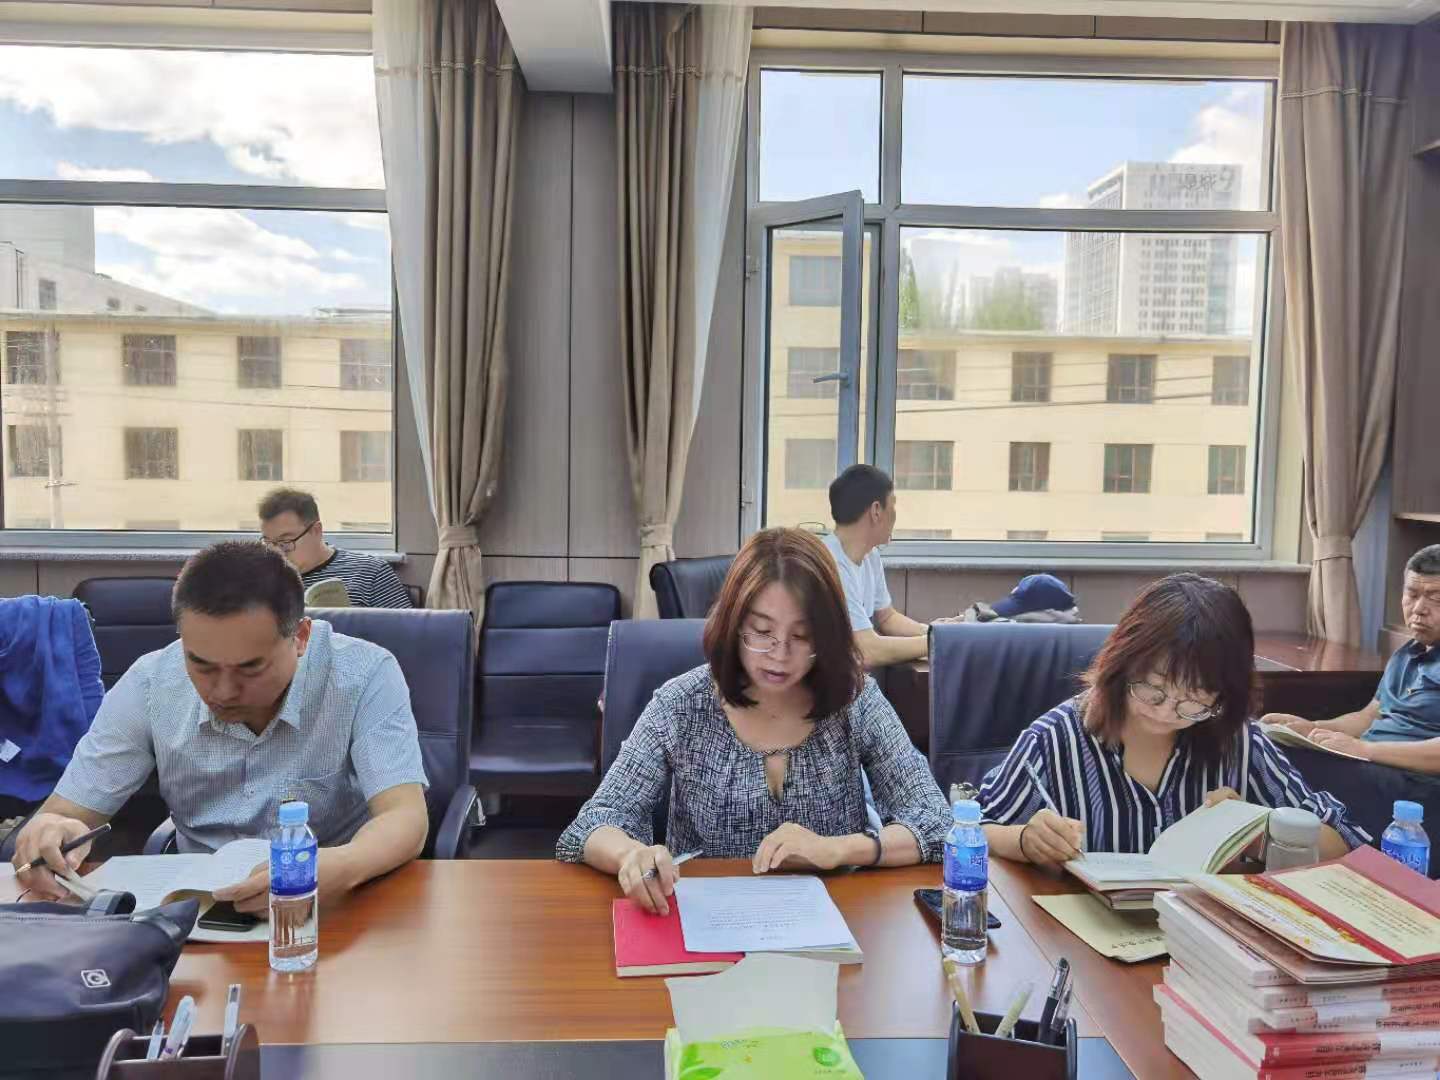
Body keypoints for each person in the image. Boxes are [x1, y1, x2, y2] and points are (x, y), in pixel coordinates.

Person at [11, 542, 430, 914]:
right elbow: (65, 812)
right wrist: (52, 832)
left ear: (300, 637)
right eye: (202, 665)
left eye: (250, 667)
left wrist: (339, 867)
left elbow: (404, 817)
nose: (223, 691)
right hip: (197, 911)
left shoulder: (363, 674)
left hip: (333, 901)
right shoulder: (151, 683)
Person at [557, 527, 950, 914]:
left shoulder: (854, 699)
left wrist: (839, 849)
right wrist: (631, 856)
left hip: (834, 924)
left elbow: (936, 823)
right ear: (734, 623)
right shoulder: (683, 704)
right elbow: (592, 824)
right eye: (762, 631)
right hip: (706, 922)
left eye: (802, 636)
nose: (780, 655)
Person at [977, 573, 1368, 868]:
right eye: (1153, 689)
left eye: (1194, 701)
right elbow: (969, 829)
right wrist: (1025, 840)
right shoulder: (1054, 738)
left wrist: (1257, 831)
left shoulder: (1238, 741)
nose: (1166, 712)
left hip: (1201, 935)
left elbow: (1346, 839)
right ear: (1121, 665)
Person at [1263, 545, 1440, 775]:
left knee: (1283, 769)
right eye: (1412, 595)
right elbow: (1368, 717)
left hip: (1412, 780)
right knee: (1267, 750)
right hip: (1370, 764)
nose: (1418, 609)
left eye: (1436, 598)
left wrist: (1363, 750)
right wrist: (1312, 729)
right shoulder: (1406, 653)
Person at [823, 465, 942, 667]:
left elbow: (887, 618)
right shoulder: (829, 563)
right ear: (876, 511)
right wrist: (942, 642)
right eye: (893, 506)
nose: (895, 515)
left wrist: (934, 631)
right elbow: (866, 650)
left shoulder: (870, 555)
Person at [258, 487, 413, 609]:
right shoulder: (261, 579)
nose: (277, 553)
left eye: (285, 542)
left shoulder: (371, 572)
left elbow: (406, 633)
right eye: (268, 543)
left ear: (316, 531)